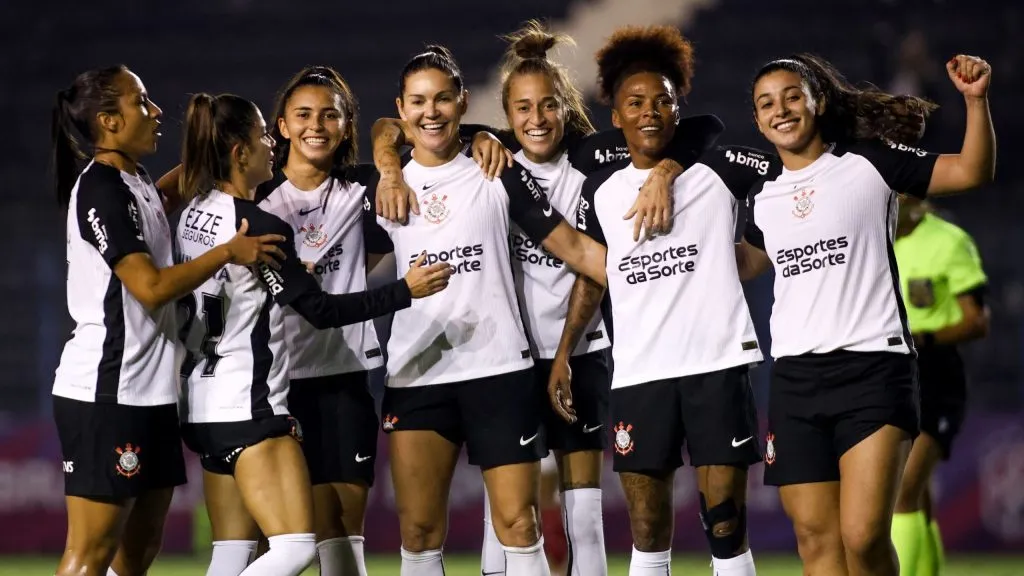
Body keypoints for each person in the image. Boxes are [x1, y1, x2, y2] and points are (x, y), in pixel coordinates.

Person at [375, 21, 725, 576]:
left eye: (547, 106)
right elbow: (390, 129)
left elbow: (699, 130)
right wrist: (387, 160)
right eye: (521, 109)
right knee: (471, 522)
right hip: (456, 366)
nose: (536, 119)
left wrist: (665, 186)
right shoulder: (478, 160)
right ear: (505, 115)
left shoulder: (566, 163)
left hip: (554, 358)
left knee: (554, 516)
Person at [737, 53, 995, 575]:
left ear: (819, 101)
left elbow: (971, 171)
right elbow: (742, 265)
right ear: (758, 119)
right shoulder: (761, 197)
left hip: (873, 370)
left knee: (864, 536)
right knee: (815, 541)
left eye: (792, 96)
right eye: (767, 103)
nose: (780, 110)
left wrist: (975, 99)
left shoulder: (868, 162)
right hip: (794, 379)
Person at [174, 92, 452, 576]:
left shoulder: (194, 213)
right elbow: (320, 310)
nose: (269, 146)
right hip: (252, 403)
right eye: (264, 135)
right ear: (244, 149)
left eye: (329, 114)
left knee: (233, 552)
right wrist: (405, 291)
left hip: (203, 400)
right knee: (297, 547)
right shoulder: (260, 224)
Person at [253, 65, 509, 576]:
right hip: (274, 388)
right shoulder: (258, 205)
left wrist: (478, 136)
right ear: (281, 126)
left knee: (343, 537)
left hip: (346, 380)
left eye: (331, 115)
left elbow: (398, 131)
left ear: (346, 126)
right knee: (273, 545)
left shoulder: (361, 192)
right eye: (303, 115)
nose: (317, 126)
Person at [367, 45, 613, 576]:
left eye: (442, 99)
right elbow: (341, 270)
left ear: (462, 103)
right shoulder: (385, 185)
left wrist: (662, 276)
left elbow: (575, 250)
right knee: (418, 533)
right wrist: (388, 164)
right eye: (418, 102)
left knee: (520, 526)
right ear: (402, 108)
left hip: (499, 373)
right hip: (417, 375)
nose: (430, 111)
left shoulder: (496, 168)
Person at [548, 25, 768, 576]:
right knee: (647, 534)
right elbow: (595, 278)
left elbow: (793, 175)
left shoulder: (719, 169)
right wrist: (563, 354)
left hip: (717, 365)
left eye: (663, 101)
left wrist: (674, 170)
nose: (651, 112)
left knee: (725, 524)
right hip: (640, 373)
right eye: (636, 103)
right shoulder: (599, 190)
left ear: (679, 109)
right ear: (616, 116)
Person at [50, 65, 286, 576]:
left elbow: (185, 182)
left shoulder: (135, 183)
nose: (156, 112)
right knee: (90, 552)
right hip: (106, 392)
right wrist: (227, 252)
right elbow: (150, 287)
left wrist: (226, 136)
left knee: (137, 552)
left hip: (153, 394)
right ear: (109, 121)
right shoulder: (103, 191)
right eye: (142, 102)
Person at [891, 196, 989, 576]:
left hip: (935, 374)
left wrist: (925, 338)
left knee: (904, 490)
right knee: (918, 496)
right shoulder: (873, 238)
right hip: (887, 373)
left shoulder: (949, 241)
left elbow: (977, 322)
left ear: (917, 197)